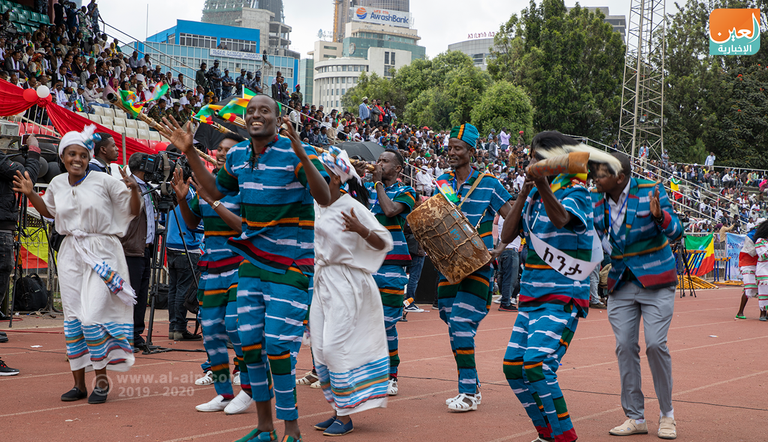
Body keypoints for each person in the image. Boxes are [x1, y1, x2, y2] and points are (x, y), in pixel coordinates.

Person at [157, 94, 330, 442]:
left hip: (290, 266)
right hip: (250, 264)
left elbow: (324, 196)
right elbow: (216, 190)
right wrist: (190, 153)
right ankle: (264, 427)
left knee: (277, 347)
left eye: (264, 110)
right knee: (248, 343)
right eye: (251, 111)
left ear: (278, 118)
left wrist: (302, 154)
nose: (256, 115)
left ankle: (291, 428)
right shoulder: (237, 155)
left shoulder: (297, 152)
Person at [13, 125, 141, 404]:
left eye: (83, 155)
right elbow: (50, 212)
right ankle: (79, 385)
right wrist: (31, 193)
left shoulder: (105, 181)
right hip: (71, 253)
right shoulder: (57, 184)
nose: (77, 159)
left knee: (92, 317)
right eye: (72, 154)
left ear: (89, 157)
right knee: (73, 320)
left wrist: (135, 192)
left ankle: (102, 381)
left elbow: (132, 210)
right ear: (62, 157)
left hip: (103, 252)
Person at [500, 132, 614, 441]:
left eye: (540, 158)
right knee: (513, 368)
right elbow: (506, 236)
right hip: (530, 296)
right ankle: (547, 434)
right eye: (532, 157)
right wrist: (524, 194)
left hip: (562, 296)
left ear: (558, 161)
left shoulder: (576, 192)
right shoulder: (532, 197)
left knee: (537, 365)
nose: (533, 162)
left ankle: (565, 437)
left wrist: (541, 186)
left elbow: (561, 219)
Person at [592, 151, 681, 440]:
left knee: (655, 345)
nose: (595, 177)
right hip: (621, 283)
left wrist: (659, 216)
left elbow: (676, 231)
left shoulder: (650, 190)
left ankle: (667, 415)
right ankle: (635, 417)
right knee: (624, 347)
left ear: (620, 177)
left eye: (601, 173)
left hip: (656, 281)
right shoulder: (595, 201)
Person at [310, 146, 393, 436]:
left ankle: (346, 417)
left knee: (336, 347)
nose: (314, 181)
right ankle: (338, 409)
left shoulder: (352, 206)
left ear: (335, 178)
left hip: (348, 283)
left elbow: (384, 242)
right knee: (321, 349)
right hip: (322, 281)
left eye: (321, 175)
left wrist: (360, 229)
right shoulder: (316, 205)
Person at [171, 133, 254, 414]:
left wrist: (214, 201)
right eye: (219, 149)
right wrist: (183, 199)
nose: (221, 153)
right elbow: (192, 224)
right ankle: (224, 394)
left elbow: (245, 228)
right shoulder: (207, 185)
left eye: (229, 150)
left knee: (234, 325)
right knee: (210, 331)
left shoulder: (247, 186)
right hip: (211, 268)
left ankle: (249, 386)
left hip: (241, 266)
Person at [434, 123, 513, 412]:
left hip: (478, 265)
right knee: (450, 320)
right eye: (449, 147)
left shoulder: (489, 183)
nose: (452, 152)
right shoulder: (442, 181)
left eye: (458, 148)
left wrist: (501, 246)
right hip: (448, 265)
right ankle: (473, 385)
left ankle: (468, 392)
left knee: (460, 323)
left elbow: (511, 216)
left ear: (471, 151)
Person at [358, 149, 416, 397]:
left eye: (385, 161)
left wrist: (378, 183)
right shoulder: (367, 189)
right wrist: (354, 177)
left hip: (391, 267)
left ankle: (391, 375)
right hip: (364, 265)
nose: (379, 163)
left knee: (386, 324)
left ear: (398, 169)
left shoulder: (407, 192)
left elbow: (390, 210)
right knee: (363, 323)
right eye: (378, 160)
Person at [0, 136, 41, 317]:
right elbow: (27, 178)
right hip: (2, 226)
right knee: (2, 269)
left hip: (4, 224)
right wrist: (34, 151)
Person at [120, 153, 156, 354]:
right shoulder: (127, 185)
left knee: (142, 295)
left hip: (146, 247)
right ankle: (125, 335)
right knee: (130, 295)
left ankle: (136, 334)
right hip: (130, 248)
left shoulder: (148, 188)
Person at [735, 224, 762, 320]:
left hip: (760, 264)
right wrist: (762, 247)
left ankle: (763, 313)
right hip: (748, 263)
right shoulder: (750, 236)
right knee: (749, 288)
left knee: (763, 288)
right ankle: (740, 312)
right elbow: (752, 252)